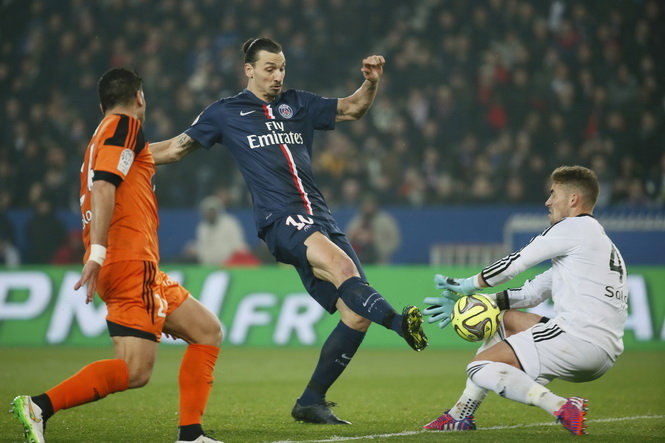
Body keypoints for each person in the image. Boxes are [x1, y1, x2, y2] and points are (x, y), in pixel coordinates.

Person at [150, 37, 428, 425]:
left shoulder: (298, 103)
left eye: (282, 68)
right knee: (344, 269)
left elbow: (352, 109)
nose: (278, 76)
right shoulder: (225, 113)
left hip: (321, 218)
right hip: (281, 219)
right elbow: (175, 149)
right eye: (269, 68)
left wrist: (371, 82)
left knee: (355, 313)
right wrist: (122, 155)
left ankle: (311, 401)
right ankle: (399, 324)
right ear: (248, 70)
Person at [11, 68, 223, 443]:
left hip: (137, 265)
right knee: (135, 370)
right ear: (139, 97)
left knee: (206, 331)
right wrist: (97, 251)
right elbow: (104, 185)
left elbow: (170, 150)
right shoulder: (124, 125)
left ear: (101, 102)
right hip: (127, 260)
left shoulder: (109, 137)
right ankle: (39, 406)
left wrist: (214, 125)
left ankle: (191, 435)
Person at [422, 165, 627, 436]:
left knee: (479, 367)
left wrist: (467, 285)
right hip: (603, 350)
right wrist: (474, 303)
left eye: (554, 194)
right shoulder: (596, 242)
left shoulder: (573, 228)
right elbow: (531, 293)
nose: (548, 201)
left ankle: (561, 406)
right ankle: (460, 415)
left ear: (573, 199)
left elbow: (515, 262)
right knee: (503, 320)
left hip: (578, 339)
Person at [185, 195, 253, 266]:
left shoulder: (230, 223)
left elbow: (238, 245)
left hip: (229, 264)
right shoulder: (202, 227)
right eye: (208, 211)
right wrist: (194, 249)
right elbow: (203, 249)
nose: (210, 214)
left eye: (212, 211)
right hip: (207, 266)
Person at [346, 194, 401, 264]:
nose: (368, 207)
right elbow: (346, 240)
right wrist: (354, 236)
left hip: (381, 261)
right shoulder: (357, 221)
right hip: (359, 260)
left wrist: (377, 242)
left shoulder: (385, 220)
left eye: (370, 204)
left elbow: (395, 240)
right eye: (366, 205)